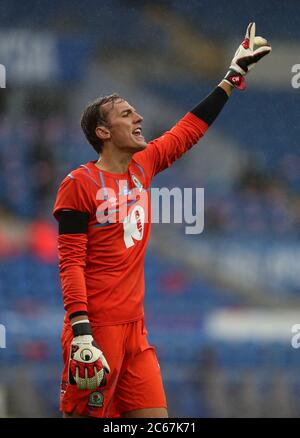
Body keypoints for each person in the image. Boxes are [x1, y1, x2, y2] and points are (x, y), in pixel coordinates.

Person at [53, 23, 271, 418]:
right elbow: (70, 262)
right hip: (95, 331)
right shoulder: (78, 184)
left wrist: (232, 76)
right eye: (125, 114)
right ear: (103, 132)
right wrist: (82, 331)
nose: (138, 116)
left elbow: (189, 130)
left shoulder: (144, 164)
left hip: (136, 332)